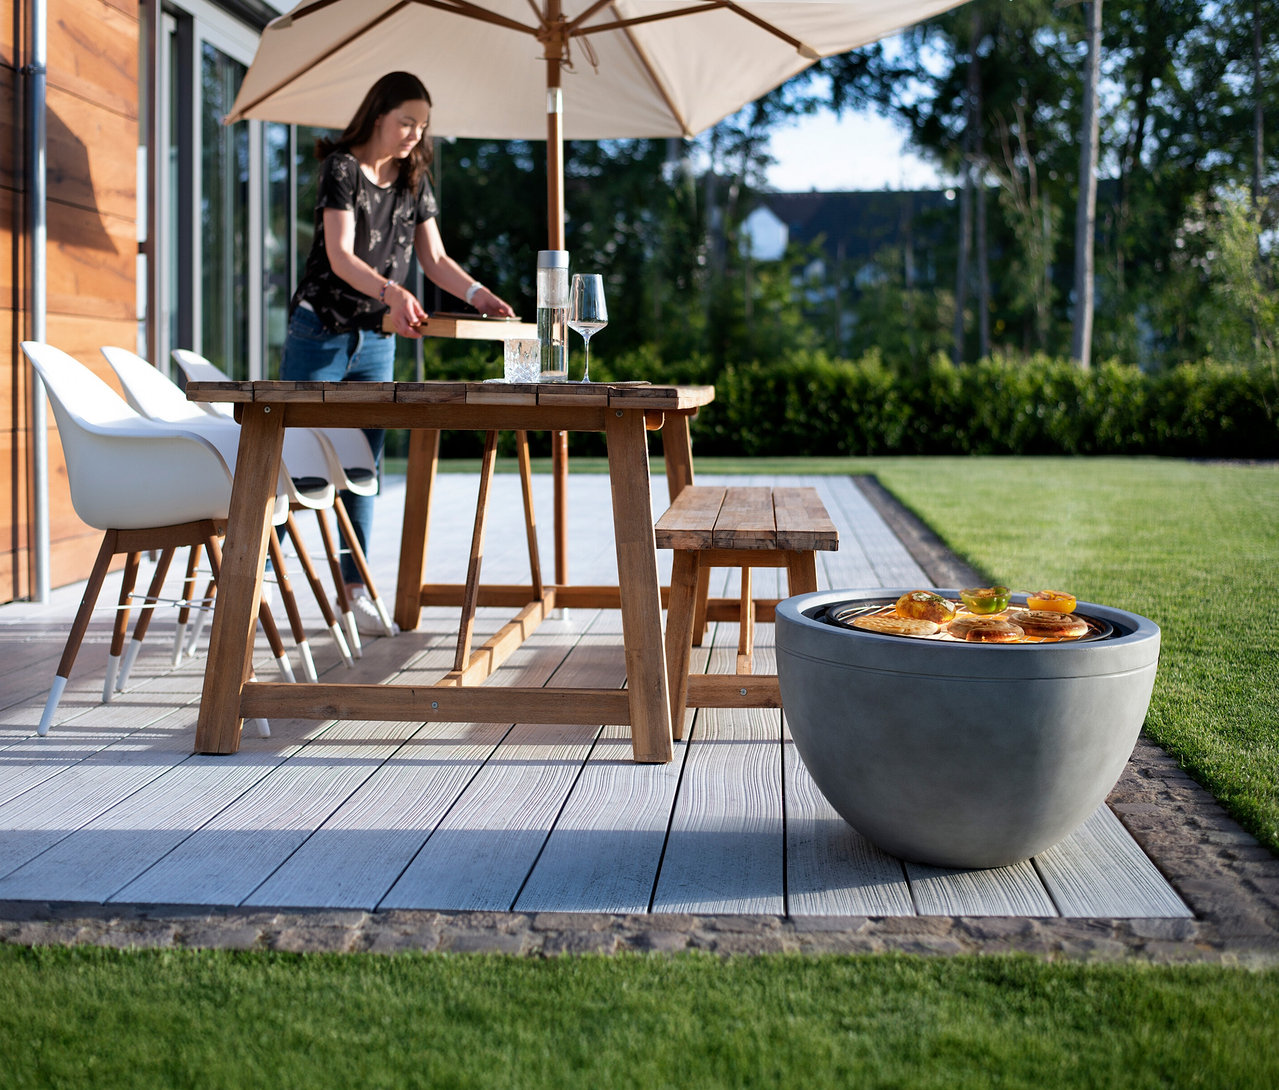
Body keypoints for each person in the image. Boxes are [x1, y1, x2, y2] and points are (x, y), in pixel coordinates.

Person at [282, 71, 514, 635]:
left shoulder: (414, 179)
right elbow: (339, 255)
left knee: (362, 466)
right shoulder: (341, 169)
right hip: (320, 330)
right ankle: (254, 575)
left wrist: (478, 295)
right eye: (407, 121)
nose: (415, 134)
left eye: (423, 126)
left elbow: (435, 260)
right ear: (379, 114)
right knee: (290, 460)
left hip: (376, 340)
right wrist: (392, 290)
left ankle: (354, 590)